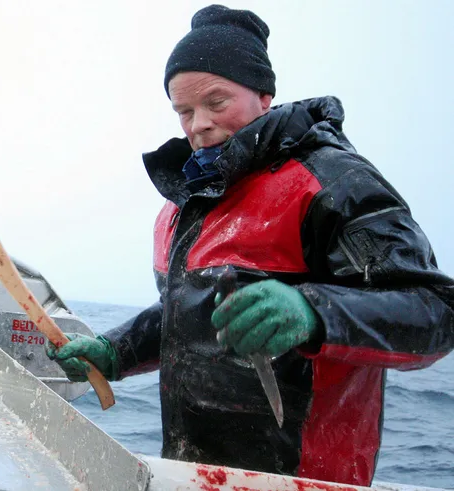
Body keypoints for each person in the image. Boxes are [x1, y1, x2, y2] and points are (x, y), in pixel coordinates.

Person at [46, 4, 454, 487]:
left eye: (216, 103)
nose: (198, 124)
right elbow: (188, 313)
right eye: (184, 110)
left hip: (306, 478)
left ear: (264, 96)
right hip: (194, 472)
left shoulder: (333, 183)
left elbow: (434, 311)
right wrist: (116, 351)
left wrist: (312, 311)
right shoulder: (185, 205)